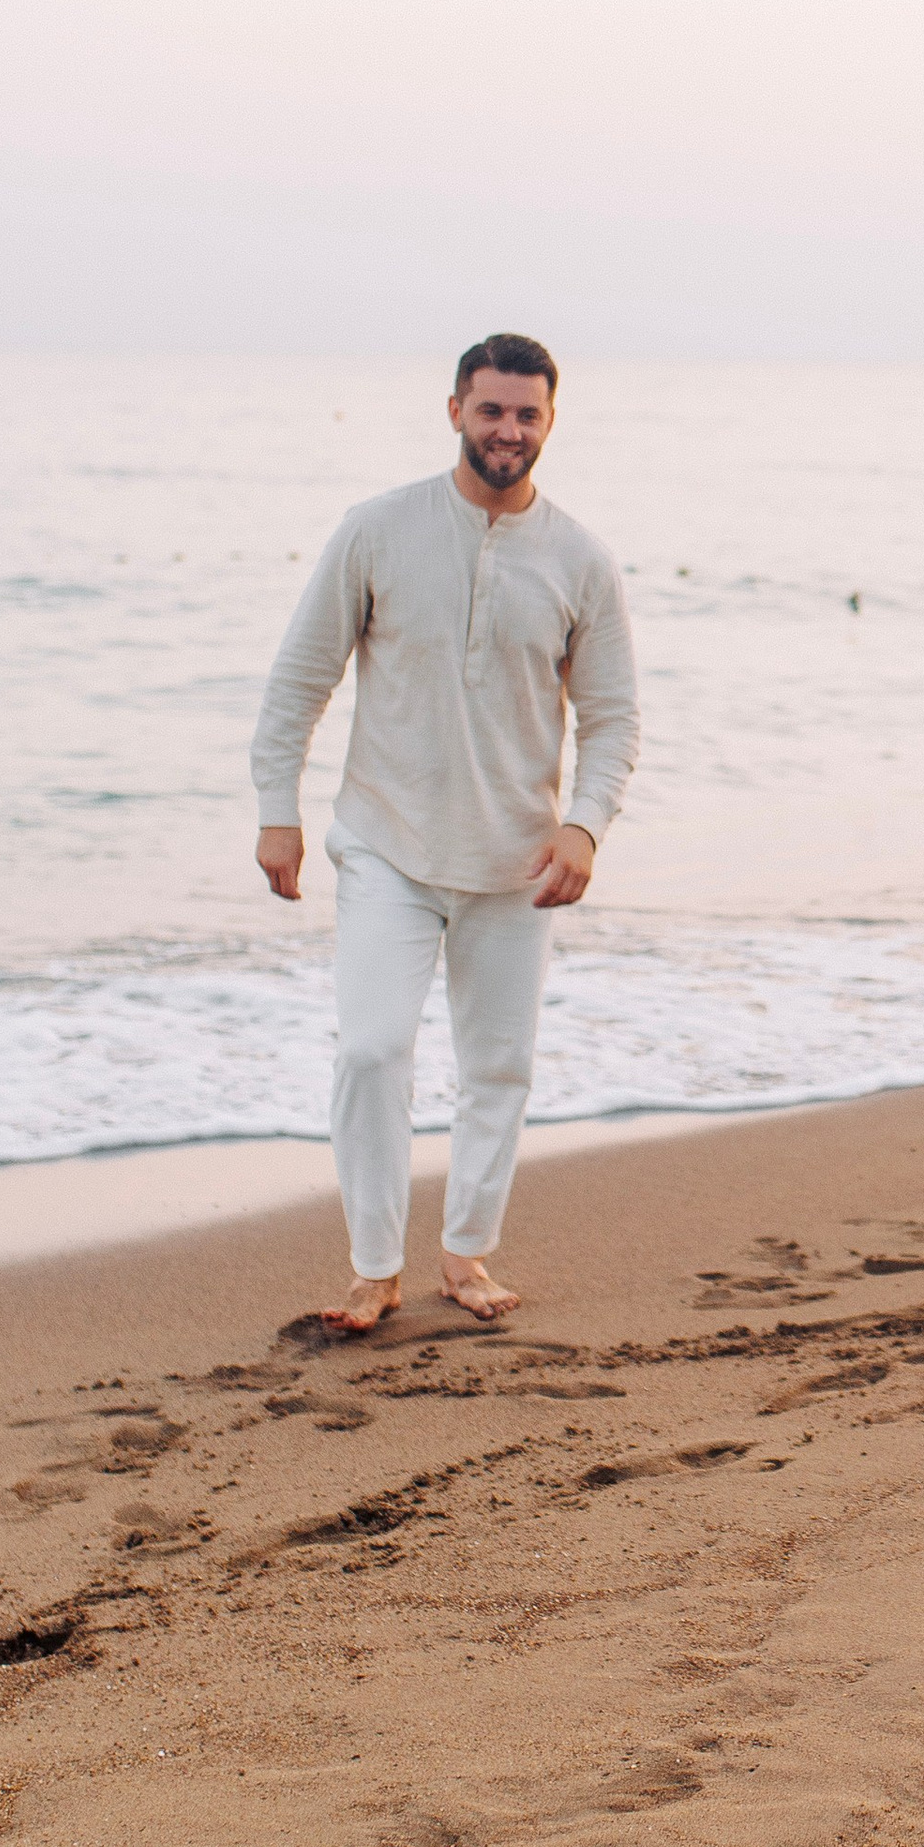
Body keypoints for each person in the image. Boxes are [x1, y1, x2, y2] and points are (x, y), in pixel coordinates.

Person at [251, 333, 640, 1332]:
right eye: (491, 409)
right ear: (456, 408)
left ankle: (466, 1250)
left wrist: (585, 827)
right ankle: (374, 1263)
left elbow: (613, 716)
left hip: (517, 859)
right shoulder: (377, 530)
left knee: (498, 1067)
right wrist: (278, 810)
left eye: (527, 414)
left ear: (549, 422)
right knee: (373, 1049)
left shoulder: (580, 558)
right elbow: (301, 678)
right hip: (387, 842)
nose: (507, 430)